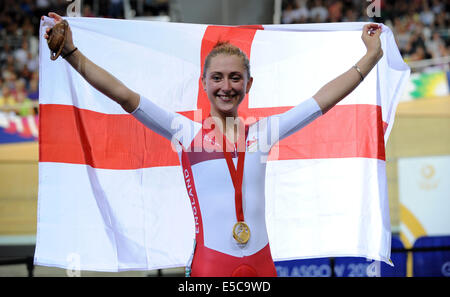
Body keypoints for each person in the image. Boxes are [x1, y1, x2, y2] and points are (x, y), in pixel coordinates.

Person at [43, 12, 383, 277]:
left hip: (264, 266)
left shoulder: (263, 133)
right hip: (211, 267)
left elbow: (322, 100)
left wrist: (371, 56)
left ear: (248, 84)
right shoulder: (186, 132)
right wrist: (72, 53)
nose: (226, 86)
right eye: (217, 77)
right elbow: (123, 95)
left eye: (235, 77)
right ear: (203, 82)